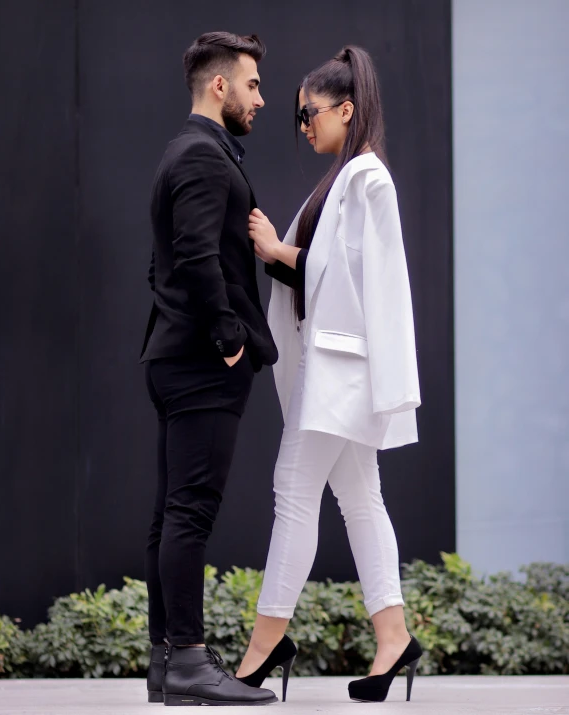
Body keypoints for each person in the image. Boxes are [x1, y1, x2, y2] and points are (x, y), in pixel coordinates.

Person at [235, 46, 423, 704]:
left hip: (342, 369)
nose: (303, 124)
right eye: (298, 117)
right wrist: (285, 254)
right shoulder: (348, 177)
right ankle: (394, 636)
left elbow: (353, 279)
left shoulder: (366, 178)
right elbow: (327, 271)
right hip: (339, 369)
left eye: (309, 113)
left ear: (346, 108)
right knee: (359, 499)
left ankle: (262, 647)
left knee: (294, 491)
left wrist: (277, 250)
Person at [139, 31, 278, 707]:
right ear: (218, 85)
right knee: (189, 511)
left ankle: (168, 663)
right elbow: (194, 255)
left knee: (173, 514)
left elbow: (164, 259)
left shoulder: (185, 152)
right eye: (252, 84)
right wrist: (229, 336)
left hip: (175, 354)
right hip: (199, 362)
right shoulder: (201, 155)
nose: (261, 97)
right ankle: (189, 661)